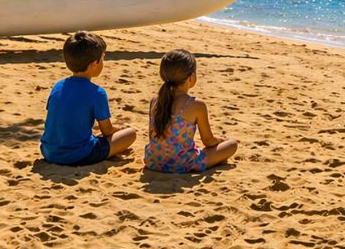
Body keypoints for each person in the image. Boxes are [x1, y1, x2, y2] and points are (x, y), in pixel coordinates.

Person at [40, 31, 137, 166]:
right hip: (79, 156)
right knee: (130, 133)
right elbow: (107, 130)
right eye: (103, 59)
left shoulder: (58, 86)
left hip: (49, 152)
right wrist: (119, 130)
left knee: (91, 134)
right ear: (93, 65)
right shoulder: (97, 93)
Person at [144, 49, 238, 173]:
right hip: (181, 164)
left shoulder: (156, 100)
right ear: (191, 77)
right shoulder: (196, 105)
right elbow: (208, 141)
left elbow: (152, 136)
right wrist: (220, 140)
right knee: (232, 145)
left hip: (153, 161)